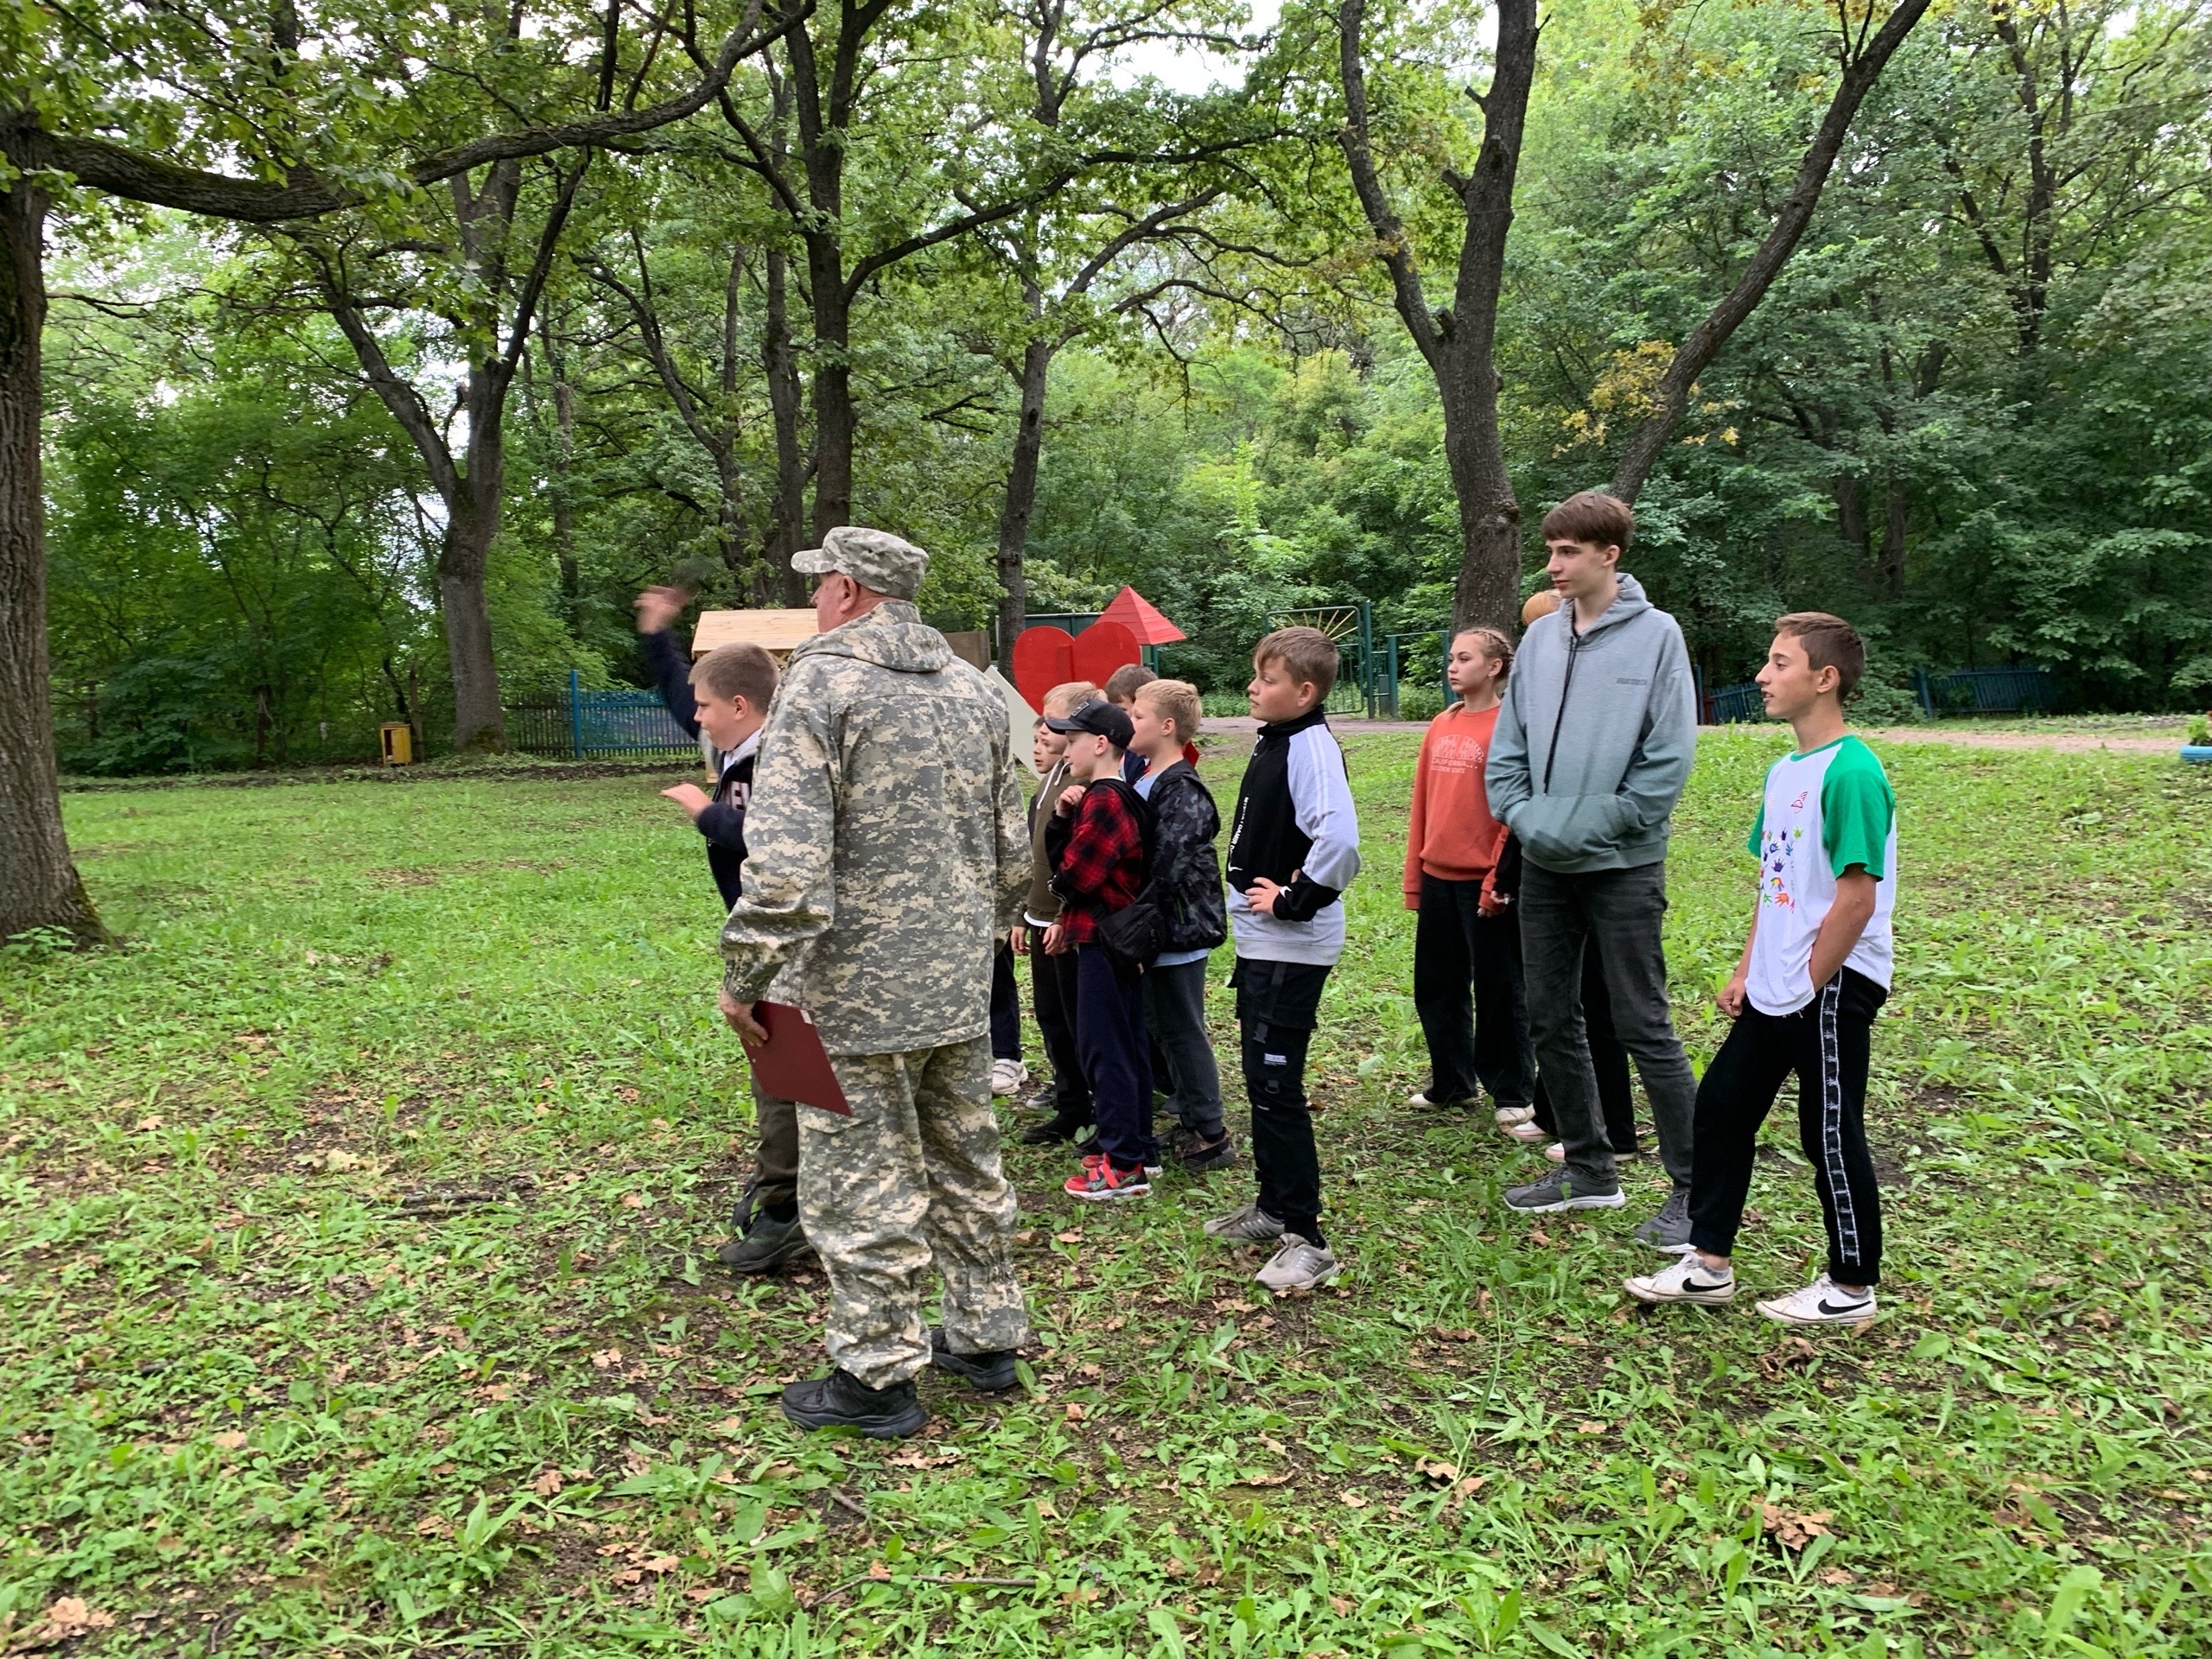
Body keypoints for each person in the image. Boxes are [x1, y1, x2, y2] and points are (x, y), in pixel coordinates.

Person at [717, 526, 1031, 1438]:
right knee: (967, 1165)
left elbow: (785, 867)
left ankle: (876, 1375)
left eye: (821, 584)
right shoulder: (975, 690)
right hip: (957, 985)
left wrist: (746, 975)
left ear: (849, 590)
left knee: (860, 1185)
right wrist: (972, 935)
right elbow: (1015, 850)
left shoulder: (820, 684)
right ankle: (986, 1336)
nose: (815, 599)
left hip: (853, 992)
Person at [1626, 613, 1897, 1325]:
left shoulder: (1852, 772)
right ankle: (1708, 1264)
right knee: (1721, 1110)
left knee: (1828, 1132)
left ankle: (1851, 1287)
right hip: (1780, 983)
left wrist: (1808, 983)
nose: (1762, 677)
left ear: (1824, 678)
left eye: (1780, 663)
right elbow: (1775, 883)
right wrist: (1750, 968)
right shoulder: (1785, 772)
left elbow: (1857, 899)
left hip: (1832, 984)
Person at [1485, 490, 1700, 1248]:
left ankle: (1695, 1192)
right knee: (1549, 1016)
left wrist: (1591, 823)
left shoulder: (1658, 636)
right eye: (1551, 550)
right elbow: (1508, 748)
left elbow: (1667, 759)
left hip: (1622, 865)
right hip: (1545, 862)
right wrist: (1526, 817)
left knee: (1643, 1023)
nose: (1554, 564)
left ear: (1610, 555)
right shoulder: (1541, 639)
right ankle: (1588, 1168)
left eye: (1569, 551)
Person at [632, 588, 810, 1275]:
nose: (697, 717)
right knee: (781, 1067)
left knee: (782, 1068)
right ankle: (787, 1191)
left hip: (786, 939)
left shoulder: (786, 759)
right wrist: (657, 637)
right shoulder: (736, 742)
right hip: (761, 931)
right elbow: (682, 695)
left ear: (741, 706)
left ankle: (786, 1211)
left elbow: (776, 845)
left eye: (708, 707)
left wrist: (705, 814)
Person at [1205, 626, 1361, 1293]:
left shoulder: (1310, 747)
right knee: (1261, 1082)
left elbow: (1340, 842)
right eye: (1255, 676)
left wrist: (1293, 901)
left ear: (1305, 691)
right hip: (1262, 945)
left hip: (1291, 947)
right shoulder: (1278, 739)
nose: (1252, 688)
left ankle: (1308, 1239)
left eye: (1266, 680)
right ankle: (1273, 1208)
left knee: (1277, 1085)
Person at [1402, 627, 1535, 1126]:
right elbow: (1423, 803)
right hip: (1437, 875)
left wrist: (1497, 880)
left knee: (1500, 988)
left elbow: (1512, 812)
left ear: (1494, 667)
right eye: (1452, 658)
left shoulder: (1510, 727)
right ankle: (1452, 1081)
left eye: (1464, 658)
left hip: (1485, 880)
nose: (1453, 667)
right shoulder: (1442, 722)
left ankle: (1512, 1090)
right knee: (1436, 984)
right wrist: (1416, 874)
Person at [1042, 699, 1158, 1201]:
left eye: (1073, 741)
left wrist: (1060, 881)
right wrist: (1062, 819)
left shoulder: (1106, 800)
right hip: (1112, 939)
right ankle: (1137, 1147)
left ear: (1101, 744)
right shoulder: (1107, 796)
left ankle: (1123, 1163)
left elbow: (1077, 876)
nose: (1066, 751)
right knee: (1124, 1045)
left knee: (1104, 1049)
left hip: (1101, 938)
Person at [1127, 677, 1232, 1171]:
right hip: (1157, 933)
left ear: (1167, 727)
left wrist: (1137, 925)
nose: (1129, 722)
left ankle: (1211, 1133)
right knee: (1164, 1027)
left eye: (1138, 716)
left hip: (1176, 933)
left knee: (1183, 1029)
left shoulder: (1181, 787)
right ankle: (1191, 1116)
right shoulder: (1147, 778)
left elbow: (1167, 867)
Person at [1015, 681, 1103, 1146]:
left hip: (1064, 922)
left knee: (1077, 1020)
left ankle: (1094, 1105)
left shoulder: (1083, 780)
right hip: (1039, 914)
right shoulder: (1053, 772)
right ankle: (1069, 1105)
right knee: (1051, 1015)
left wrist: (1063, 916)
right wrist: (1022, 913)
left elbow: (1082, 861)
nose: (1045, 729)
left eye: (1054, 720)